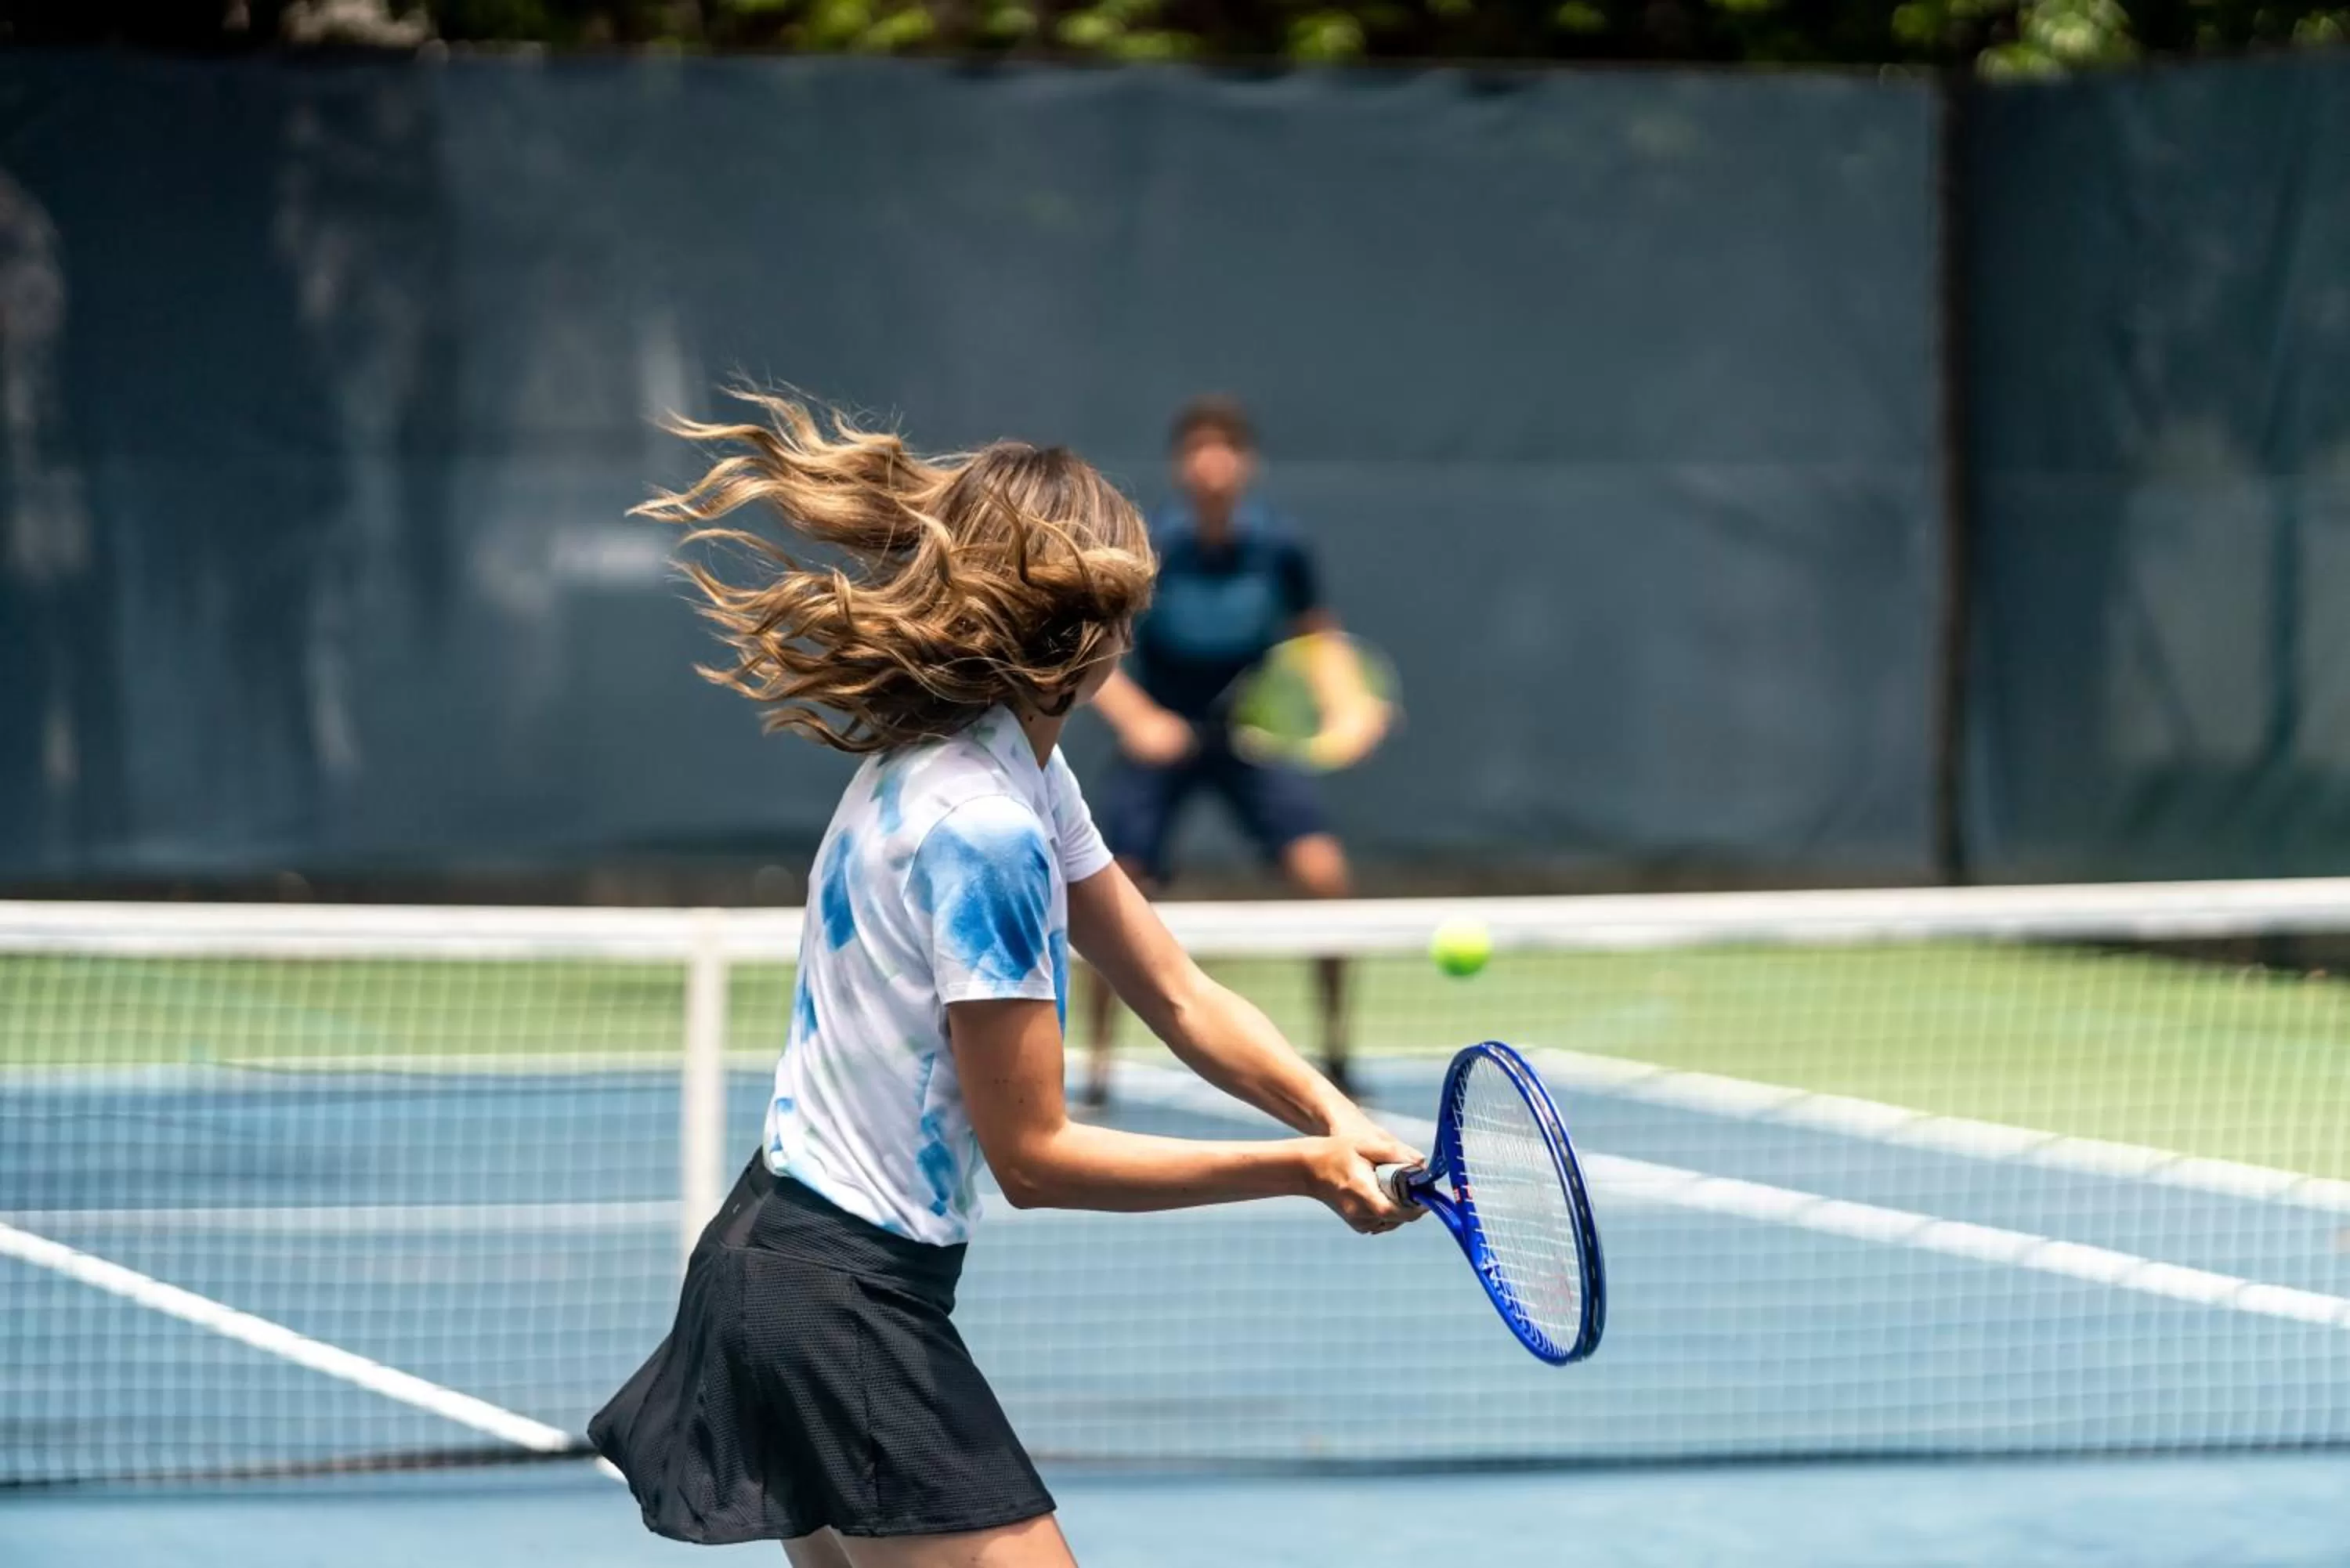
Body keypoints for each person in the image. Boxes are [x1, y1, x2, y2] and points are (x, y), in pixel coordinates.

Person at [588, 392, 1420, 1568]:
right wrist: (1297, 1167)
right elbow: (1035, 1156)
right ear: (1096, 631)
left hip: (777, 1262)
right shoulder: (985, 828)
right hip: (838, 1298)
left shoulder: (1003, 760)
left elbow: (1174, 988)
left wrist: (1336, 1115)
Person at [1083, 396, 1386, 1107]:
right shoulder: (1149, 543)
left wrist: (1351, 705)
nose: (1212, 462)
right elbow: (1095, 646)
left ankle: (1338, 1049)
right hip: (1163, 738)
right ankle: (1096, 1064)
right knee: (1116, 889)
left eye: (1226, 448)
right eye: (1198, 448)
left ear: (1246, 464)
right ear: (1181, 465)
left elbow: (1319, 637)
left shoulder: (1281, 547)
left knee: (1326, 879)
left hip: (1249, 736)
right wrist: (1141, 722)